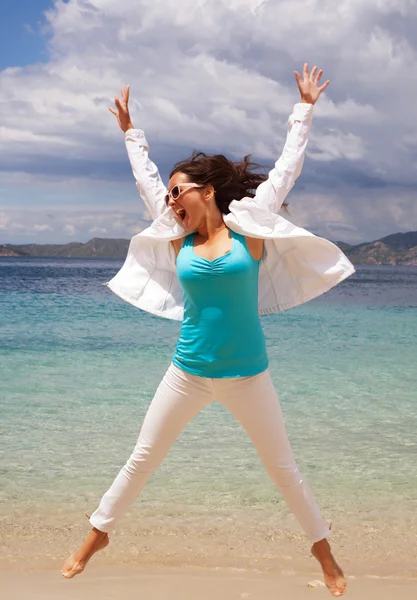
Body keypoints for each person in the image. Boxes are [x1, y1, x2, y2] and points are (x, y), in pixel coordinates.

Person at [62, 64, 352, 597]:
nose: (171, 202)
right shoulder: (179, 240)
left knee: (283, 470)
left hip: (248, 376)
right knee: (142, 458)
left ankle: (325, 554)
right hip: (187, 372)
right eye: (170, 197)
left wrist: (304, 110)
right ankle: (97, 535)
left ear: (206, 191)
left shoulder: (251, 231)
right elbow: (147, 183)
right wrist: (130, 131)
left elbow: (286, 171)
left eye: (179, 193)